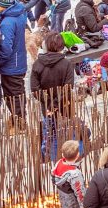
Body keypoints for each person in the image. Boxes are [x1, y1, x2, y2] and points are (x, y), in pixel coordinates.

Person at [31, 32, 75, 160]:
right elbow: (68, 87)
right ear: (61, 46)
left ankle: (52, 161)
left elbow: (35, 90)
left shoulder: (37, 64)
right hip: (65, 107)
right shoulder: (66, 64)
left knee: (50, 136)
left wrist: (50, 104)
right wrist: (56, 104)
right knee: (68, 135)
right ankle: (68, 160)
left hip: (47, 109)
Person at [0, 0, 28, 131]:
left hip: (11, 66)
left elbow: (5, 49)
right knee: (18, 93)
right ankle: (19, 119)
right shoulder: (19, 13)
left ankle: (19, 124)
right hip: (19, 60)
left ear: (3, 5)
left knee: (12, 96)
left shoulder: (7, 24)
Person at [52, 140, 88, 208]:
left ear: (63, 155)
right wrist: (83, 205)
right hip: (73, 201)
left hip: (64, 197)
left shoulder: (59, 163)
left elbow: (54, 176)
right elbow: (79, 191)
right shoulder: (74, 173)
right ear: (77, 155)